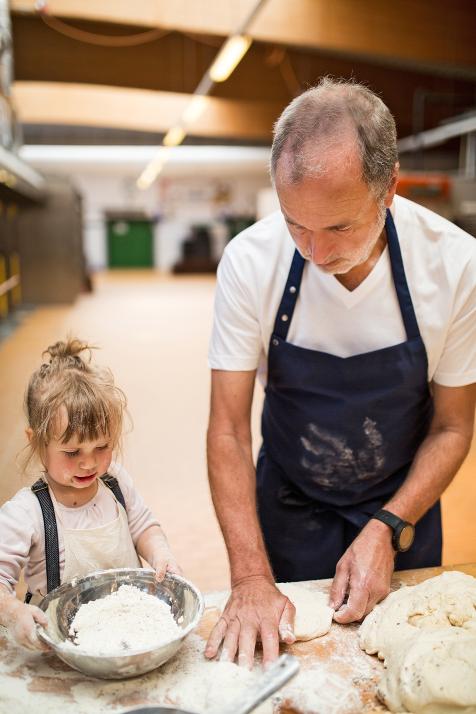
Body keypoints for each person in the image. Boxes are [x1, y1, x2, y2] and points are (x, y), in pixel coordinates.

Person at [205, 77, 476, 669]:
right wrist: (250, 576)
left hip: (403, 505)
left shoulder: (453, 266)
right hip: (289, 501)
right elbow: (227, 427)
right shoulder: (251, 261)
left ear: (389, 189)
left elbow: (453, 427)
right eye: (296, 223)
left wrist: (388, 526)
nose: (315, 253)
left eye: (339, 228)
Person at [0, 338, 181, 651]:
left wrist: (160, 553)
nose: (89, 462)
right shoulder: (26, 512)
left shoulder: (115, 483)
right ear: (36, 441)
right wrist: (13, 611)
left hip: (130, 636)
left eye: (102, 446)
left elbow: (143, 527)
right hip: (62, 648)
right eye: (72, 452)